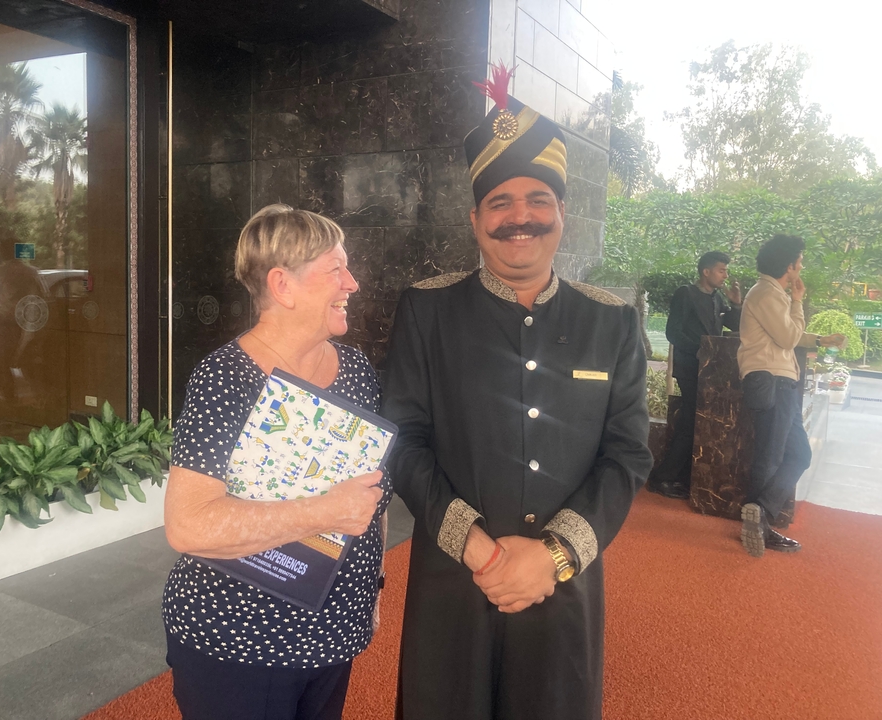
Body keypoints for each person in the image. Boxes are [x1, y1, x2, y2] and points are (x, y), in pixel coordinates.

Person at [382, 70, 652, 720]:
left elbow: (627, 456)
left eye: (538, 199)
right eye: (499, 202)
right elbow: (403, 442)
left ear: (562, 214)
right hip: (455, 581)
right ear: (476, 219)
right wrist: (480, 549)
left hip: (560, 589)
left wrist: (555, 556)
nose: (519, 217)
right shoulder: (428, 311)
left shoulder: (612, 322)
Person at [161, 204, 391, 720]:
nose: (352, 283)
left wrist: (372, 587)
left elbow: (372, 497)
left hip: (333, 635)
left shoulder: (356, 371)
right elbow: (188, 525)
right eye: (336, 269)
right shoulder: (225, 379)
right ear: (283, 285)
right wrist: (322, 512)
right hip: (239, 641)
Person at [737, 234, 844, 556]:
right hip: (773, 379)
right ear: (789, 265)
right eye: (800, 261)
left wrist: (821, 340)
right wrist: (798, 302)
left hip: (781, 381)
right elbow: (787, 337)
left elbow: (788, 334)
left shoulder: (771, 293)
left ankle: (759, 512)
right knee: (770, 455)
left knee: (799, 454)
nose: (802, 267)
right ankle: (759, 520)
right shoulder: (766, 293)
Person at [648, 251, 741, 499]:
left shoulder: (717, 299)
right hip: (690, 368)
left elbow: (735, 326)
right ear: (706, 271)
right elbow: (673, 332)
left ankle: (678, 476)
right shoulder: (686, 294)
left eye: (726, 271)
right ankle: (662, 477)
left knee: (696, 422)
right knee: (689, 422)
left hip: (710, 371)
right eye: (721, 270)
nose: (725, 276)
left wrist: (735, 304)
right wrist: (700, 350)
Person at [0, 236, 44, 402]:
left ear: (4, 252)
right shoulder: (31, 272)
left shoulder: (0, 271)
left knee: (3, 359)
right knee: (23, 358)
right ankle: (6, 389)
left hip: (3, 319)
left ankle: (8, 394)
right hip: (24, 321)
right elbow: (40, 295)